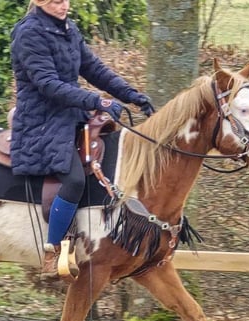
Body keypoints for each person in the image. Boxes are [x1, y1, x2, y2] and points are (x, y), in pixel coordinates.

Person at [10, 0, 154, 279]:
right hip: (41, 122)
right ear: (39, 2)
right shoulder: (29, 33)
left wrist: (132, 95)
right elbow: (48, 84)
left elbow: (94, 69)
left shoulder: (68, 29)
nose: (63, 5)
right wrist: (97, 101)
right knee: (74, 179)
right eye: (55, 1)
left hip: (72, 116)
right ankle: (52, 251)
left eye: (65, 0)